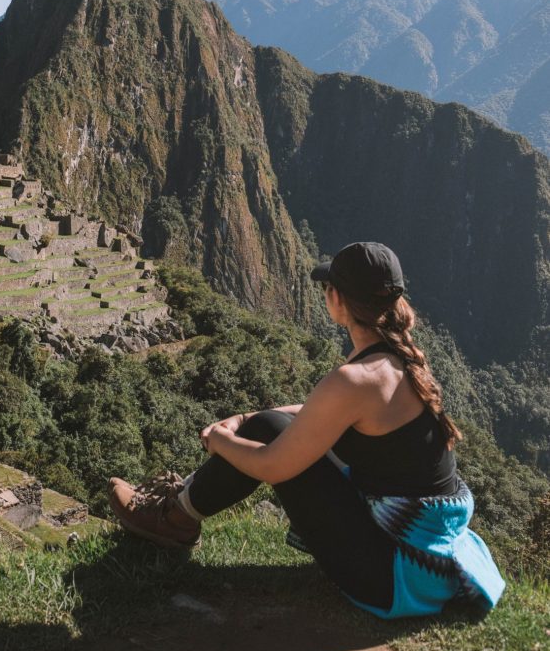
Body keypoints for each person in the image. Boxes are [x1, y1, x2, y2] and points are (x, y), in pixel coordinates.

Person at [108, 241, 505, 619]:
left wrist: (220, 439)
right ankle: (178, 510)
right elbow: (322, 414)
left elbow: (271, 466)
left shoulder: (356, 379)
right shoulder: (398, 361)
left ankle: (173, 519)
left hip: (396, 577)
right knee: (268, 423)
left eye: (329, 287)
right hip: (425, 561)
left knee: (267, 432)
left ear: (337, 300)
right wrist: (248, 417)